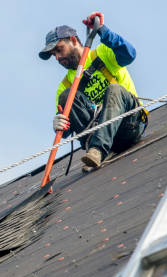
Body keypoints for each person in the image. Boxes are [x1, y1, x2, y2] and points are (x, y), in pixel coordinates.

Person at [39, 12, 147, 170]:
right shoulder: (66, 85)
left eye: (59, 49)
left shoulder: (103, 54)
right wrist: (58, 122)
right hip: (99, 136)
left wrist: (103, 30)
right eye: (53, 54)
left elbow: (129, 54)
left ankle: (98, 150)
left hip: (130, 125)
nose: (57, 57)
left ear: (74, 40)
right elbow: (69, 126)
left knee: (114, 89)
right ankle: (98, 147)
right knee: (66, 96)